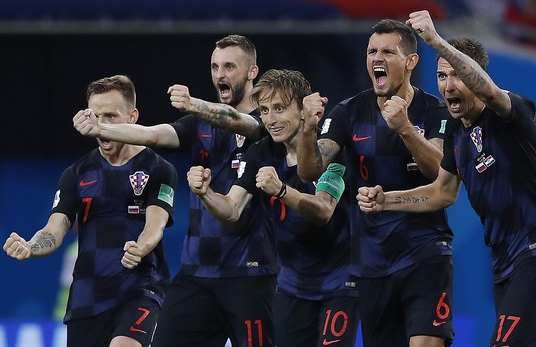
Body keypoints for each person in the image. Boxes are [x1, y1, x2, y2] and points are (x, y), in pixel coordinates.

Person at [357, 10, 536, 347]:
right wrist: (386, 200)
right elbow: (442, 193)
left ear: (474, 76)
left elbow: (490, 92)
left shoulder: (509, 113)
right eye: (441, 76)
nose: (448, 86)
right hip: (505, 264)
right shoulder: (456, 138)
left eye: (456, 75)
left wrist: (435, 41)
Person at [73, 35, 276, 347]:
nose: (220, 74)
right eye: (214, 66)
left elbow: (240, 122)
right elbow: (152, 134)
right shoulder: (198, 126)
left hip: (250, 276)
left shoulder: (267, 123)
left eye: (230, 67)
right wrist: (102, 129)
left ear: (252, 72)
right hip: (196, 276)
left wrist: (193, 102)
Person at [297, 18, 455, 347]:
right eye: (371, 51)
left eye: (388, 51)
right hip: (372, 262)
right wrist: (308, 129)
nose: (377, 58)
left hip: (425, 254)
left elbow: (439, 173)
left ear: (411, 62)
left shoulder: (435, 112)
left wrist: (405, 128)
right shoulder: (348, 112)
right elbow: (310, 171)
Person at [187, 69, 359, 347]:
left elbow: (323, 211)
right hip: (291, 284)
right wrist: (205, 193)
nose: (270, 119)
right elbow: (231, 209)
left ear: (303, 109)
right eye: (264, 110)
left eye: (279, 108)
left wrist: (281, 190)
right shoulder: (261, 152)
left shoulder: (330, 148)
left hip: (339, 281)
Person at [3, 74, 178, 347]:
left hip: (139, 290)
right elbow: (54, 229)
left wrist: (141, 247)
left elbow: (155, 225)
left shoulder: (158, 169)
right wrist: (30, 247)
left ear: (133, 117)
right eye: (95, 116)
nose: (100, 125)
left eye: (110, 116)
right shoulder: (77, 174)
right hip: (88, 298)